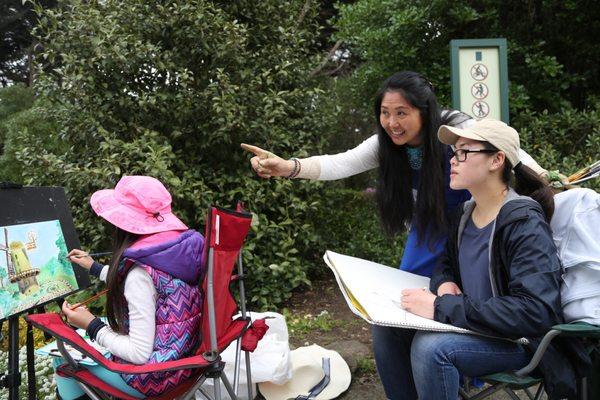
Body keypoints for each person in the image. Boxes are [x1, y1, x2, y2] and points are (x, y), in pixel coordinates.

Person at [241, 71, 547, 397]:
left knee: (446, 325)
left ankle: (456, 367)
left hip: (473, 225)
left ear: (424, 111)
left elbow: (506, 150)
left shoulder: (461, 140)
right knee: (399, 313)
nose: (391, 122)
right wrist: (288, 167)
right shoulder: (387, 144)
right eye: (385, 113)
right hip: (434, 230)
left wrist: (546, 180)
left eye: (401, 112)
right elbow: (341, 163)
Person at [395, 119, 586, 400]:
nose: (453, 161)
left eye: (463, 152)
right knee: (390, 331)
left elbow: (535, 311)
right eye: (452, 153)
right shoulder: (463, 213)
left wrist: (440, 306)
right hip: (478, 328)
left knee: (431, 349)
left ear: (496, 160)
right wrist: (445, 282)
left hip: (521, 342)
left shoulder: (523, 223)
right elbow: (445, 263)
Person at [56, 175, 205, 399]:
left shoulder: (139, 276)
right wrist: (94, 267)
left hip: (152, 378)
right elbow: (152, 289)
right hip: (184, 363)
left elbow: (138, 353)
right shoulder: (181, 250)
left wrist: (91, 325)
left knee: (62, 355)